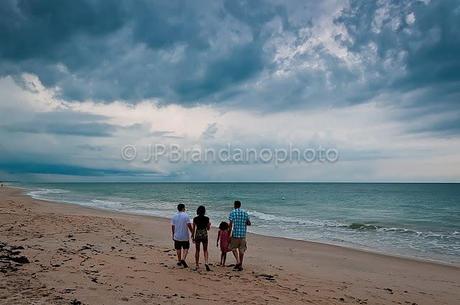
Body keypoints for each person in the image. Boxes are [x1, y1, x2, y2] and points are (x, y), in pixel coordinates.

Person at [228, 200, 251, 271]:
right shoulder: (245, 213)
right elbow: (249, 223)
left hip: (235, 234)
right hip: (243, 234)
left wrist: (229, 234)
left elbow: (231, 225)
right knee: (241, 250)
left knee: (233, 248)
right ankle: (240, 264)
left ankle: (238, 261)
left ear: (234, 205)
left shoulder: (232, 213)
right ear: (240, 205)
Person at [171, 203, 193, 268]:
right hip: (185, 235)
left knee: (178, 248)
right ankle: (183, 259)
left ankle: (179, 260)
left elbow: (173, 226)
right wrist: (192, 232)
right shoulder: (186, 216)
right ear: (183, 208)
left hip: (177, 235)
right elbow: (189, 225)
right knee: (186, 248)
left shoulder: (174, 216)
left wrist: (173, 234)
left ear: (178, 208)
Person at [192, 205, 211, 271]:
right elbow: (208, 229)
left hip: (198, 234)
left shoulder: (195, 219)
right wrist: (209, 225)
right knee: (205, 250)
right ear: (204, 211)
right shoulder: (207, 218)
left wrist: (192, 236)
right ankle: (206, 262)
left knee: (197, 250)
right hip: (204, 234)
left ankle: (197, 265)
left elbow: (194, 229)